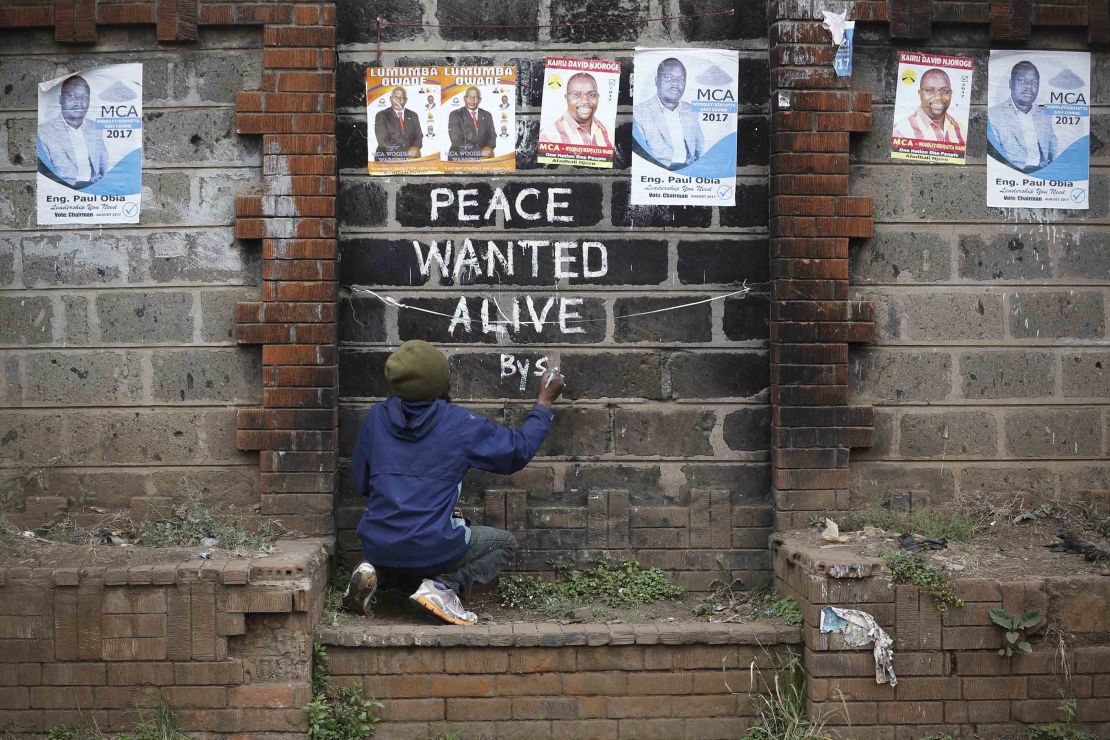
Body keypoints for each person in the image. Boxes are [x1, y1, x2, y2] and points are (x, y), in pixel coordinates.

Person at [343, 340, 564, 625]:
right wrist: (543, 404)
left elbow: (361, 482)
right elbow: (516, 451)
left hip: (377, 542)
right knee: (503, 543)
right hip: (432, 545)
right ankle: (444, 586)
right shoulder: (459, 423)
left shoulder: (376, 419)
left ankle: (374, 574)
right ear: (441, 384)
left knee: (405, 545)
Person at [37, 74, 109, 188]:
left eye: (85, 97)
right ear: (61, 100)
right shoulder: (44, 132)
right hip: (62, 191)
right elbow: (45, 175)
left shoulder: (95, 128)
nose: (79, 102)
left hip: (94, 191)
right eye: (71, 96)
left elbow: (104, 167)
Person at [632, 57, 704, 169]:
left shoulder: (691, 110)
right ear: (657, 81)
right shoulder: (639, 112)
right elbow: (640, 154)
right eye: (668, 77)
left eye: (681, 79)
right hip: (656, 172)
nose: (675, 83)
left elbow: (700, 148)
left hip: (688, 172)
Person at [987, 60, 1057, 172]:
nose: (1028, 87)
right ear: (1010, 84)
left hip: (1043, 175)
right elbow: (996, 156)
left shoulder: (1044, 113)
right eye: (1021, 80)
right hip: (1011, 175)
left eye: (1034, 82)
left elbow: (1052, 149)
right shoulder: (994, 115)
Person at [892, 68, 965, 147]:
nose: (938, 97)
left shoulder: (959, 127)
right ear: (920, 94)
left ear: (951, 93)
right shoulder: (902, 131)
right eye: (929, 91)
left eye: (945, 91)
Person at [538, 72, 614, 149]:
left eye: (592, 95)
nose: (584, 101)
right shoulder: (549, 136)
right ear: (566, 97)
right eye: (577, 95)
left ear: (598, 97)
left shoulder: (608, 132)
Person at [373, 87, 422, 160]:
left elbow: (419, 136)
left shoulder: (413, 115)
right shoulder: (381, 115)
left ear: (406, 100)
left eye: (402, 97)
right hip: (387, 158)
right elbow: (383, 142)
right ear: (390, 99)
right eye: (396, 97)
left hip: (410, 158)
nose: (399, 100)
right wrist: (405, 154)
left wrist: (415, 148)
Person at [448, 86, 496, 160]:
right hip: (461, 156)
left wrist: (488, 148)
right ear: (465, 98)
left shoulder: (487, 115)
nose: (472, 100)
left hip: (483, 156)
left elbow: (492, 136)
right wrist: (479, 152)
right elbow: (456, 139)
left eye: (475, 97)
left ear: (480, 100)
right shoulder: (455, 114)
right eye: (469, 97)